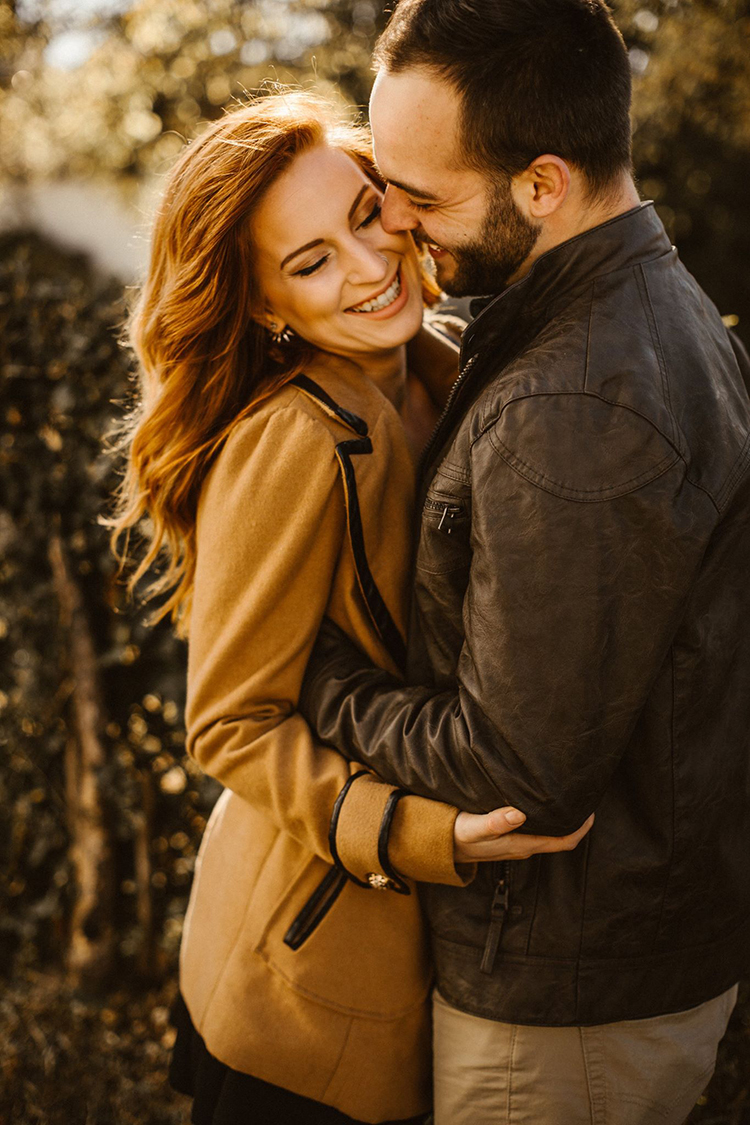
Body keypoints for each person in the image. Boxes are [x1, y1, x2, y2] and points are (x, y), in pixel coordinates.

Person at [298, 1, 750, 1122]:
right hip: (614, 963)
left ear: (543, 185)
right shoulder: (641, 303)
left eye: (422, 195)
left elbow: (514, 777)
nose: (394, 226)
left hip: (566, 1009)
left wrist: (322, 679)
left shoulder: (575, 402)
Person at [106, 91, 591, 1125]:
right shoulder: (292, 442)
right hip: (304, 970)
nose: (369, 268)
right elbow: (230, 721)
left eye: (366, 215)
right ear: (266, 308)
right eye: (310, 261)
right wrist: (419, 833)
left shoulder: (450, 367)